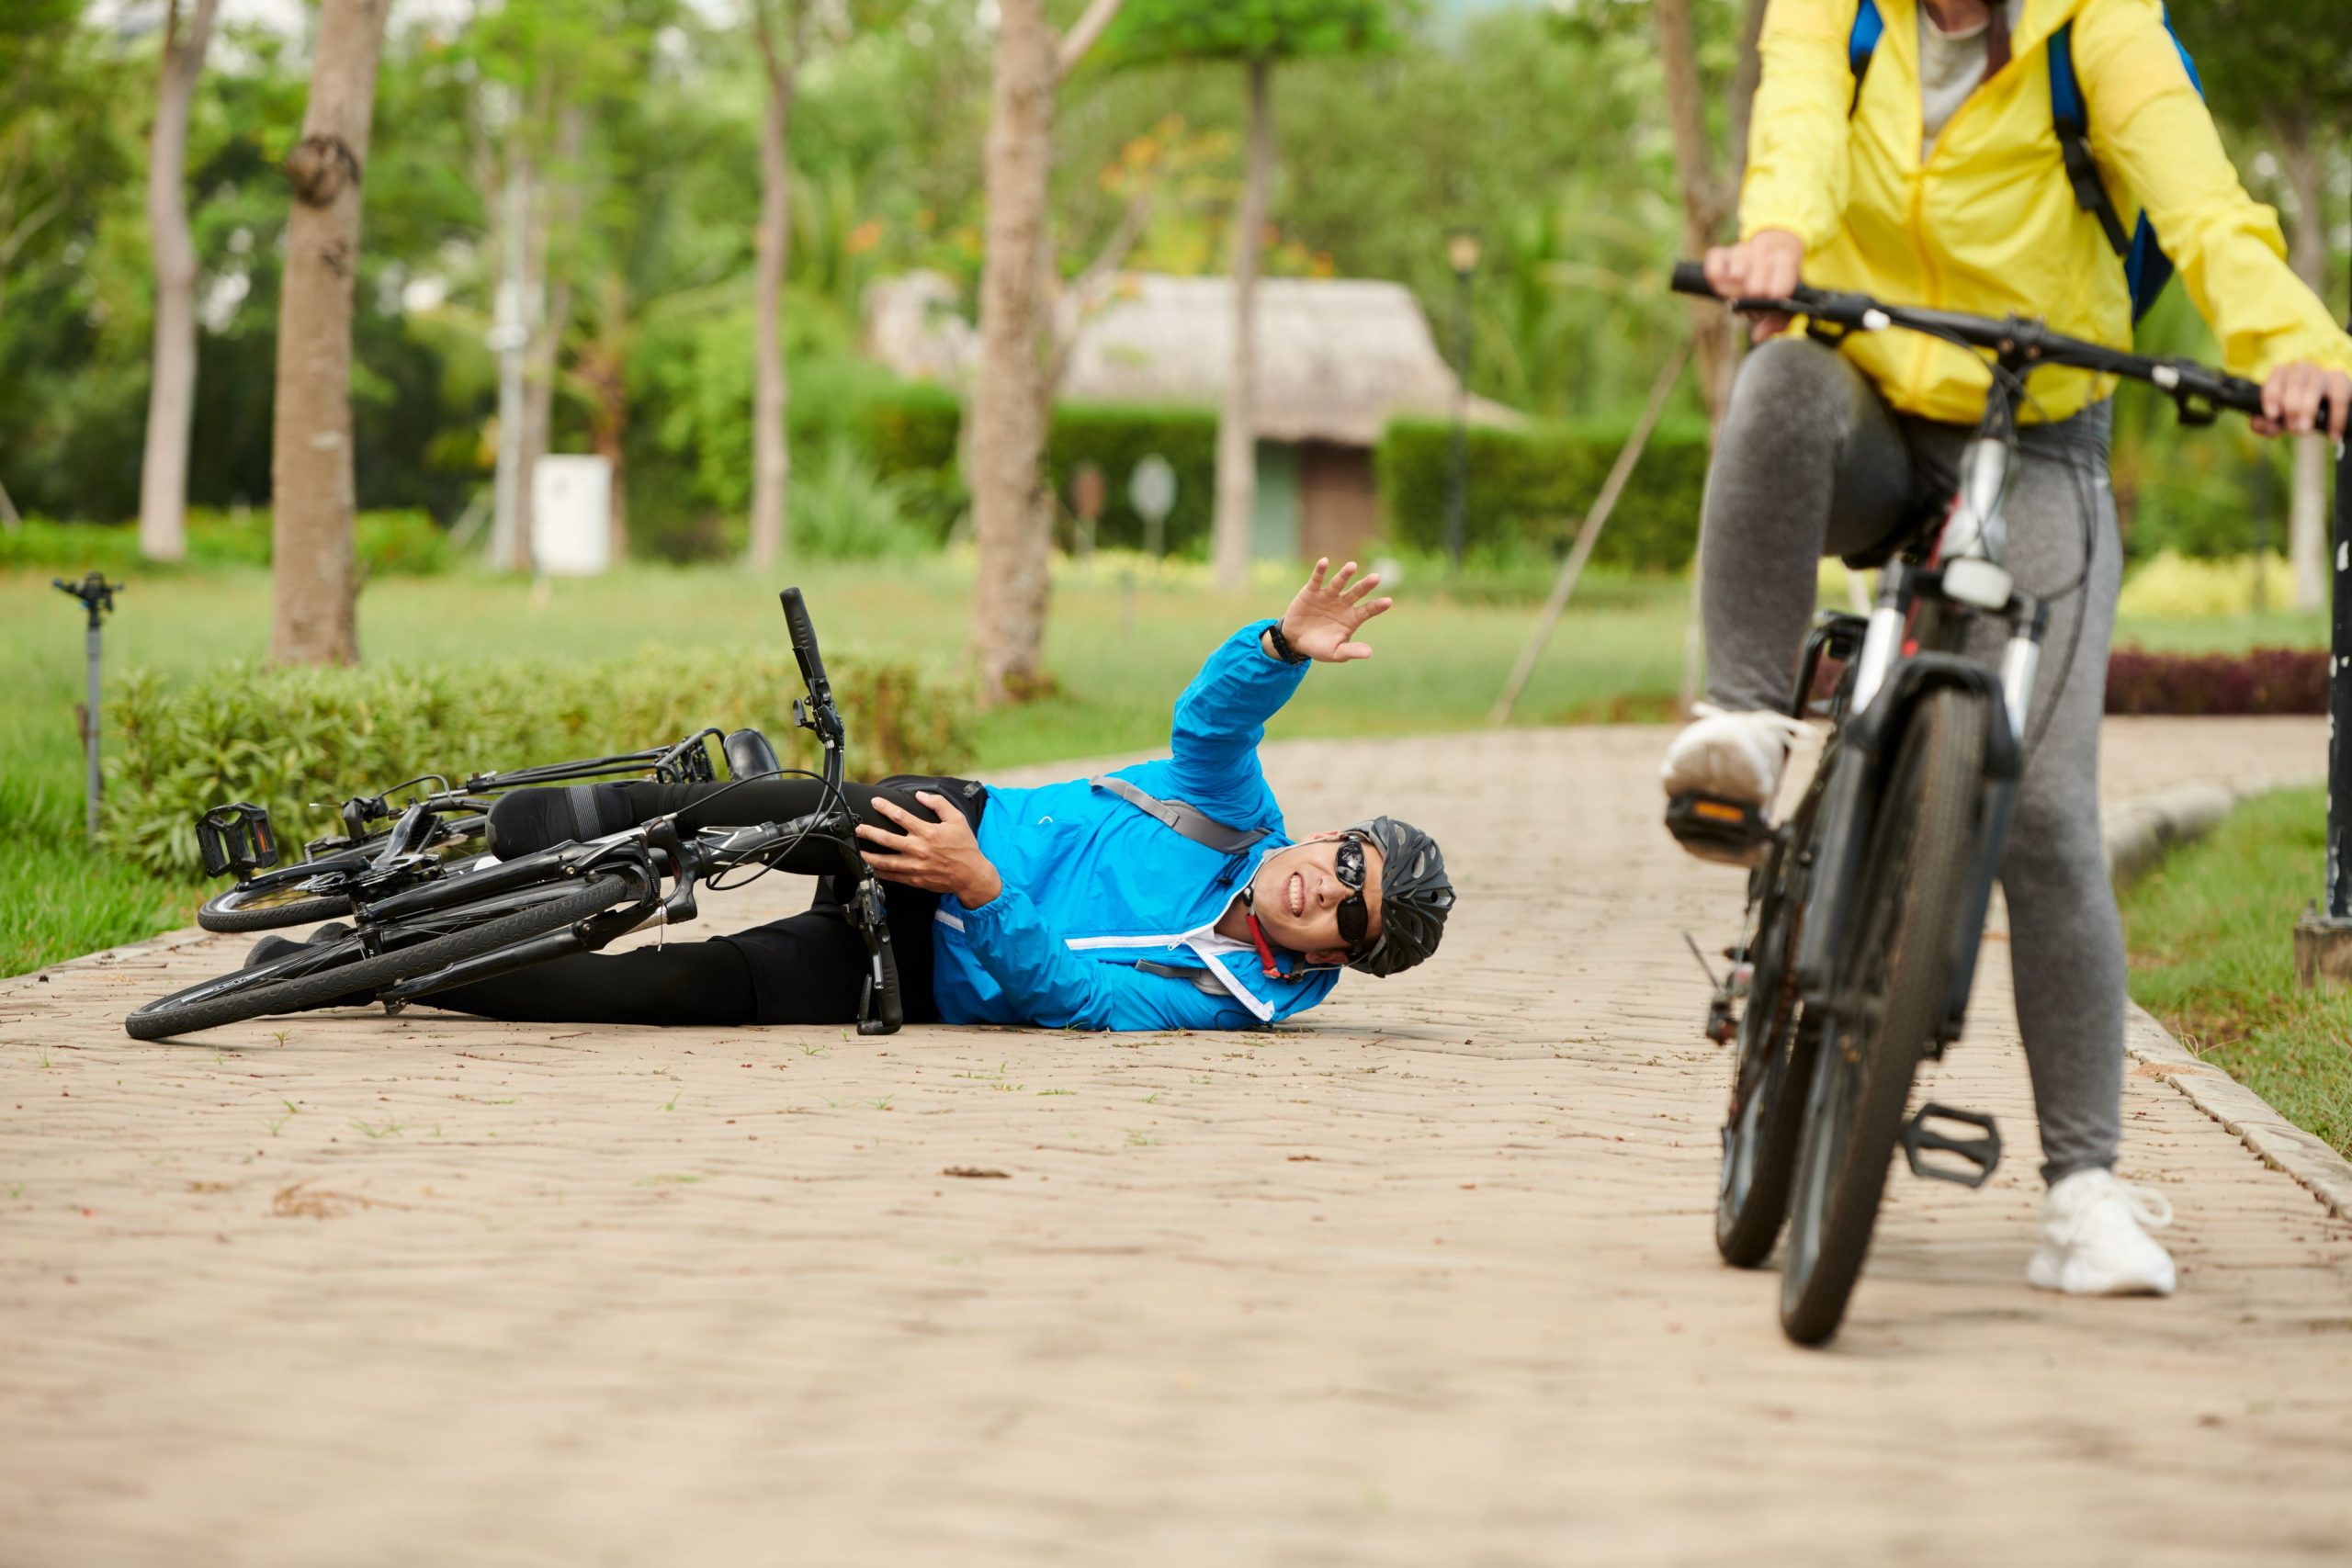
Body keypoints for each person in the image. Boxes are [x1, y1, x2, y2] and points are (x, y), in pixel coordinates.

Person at [1667, 0, 2352, 1296]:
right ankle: (1747, 722)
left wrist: (2297, 344)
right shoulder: (1836, 10)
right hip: (1866, 394)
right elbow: (1800, 120)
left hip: (2038, 429)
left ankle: (2084, 1188)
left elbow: (2202, 199)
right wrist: (1778, 237)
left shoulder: (2100, 27)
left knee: (2045, 809)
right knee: (1777, 386)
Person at [271, 560, 1453, 1033]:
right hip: (963, 825)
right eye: (1346, 859)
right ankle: (561, 826)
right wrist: (1279, 647)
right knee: (783, 813)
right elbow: (1212, 718)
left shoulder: (1232, 999)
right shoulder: (1235, 810)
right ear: (1333, 838)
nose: (1321, 885)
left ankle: (355, 959)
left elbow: (1080, 1000)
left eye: (1346, 912)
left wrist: (982, 902)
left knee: (669, 990)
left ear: (1334, 957)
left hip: (929, 965)